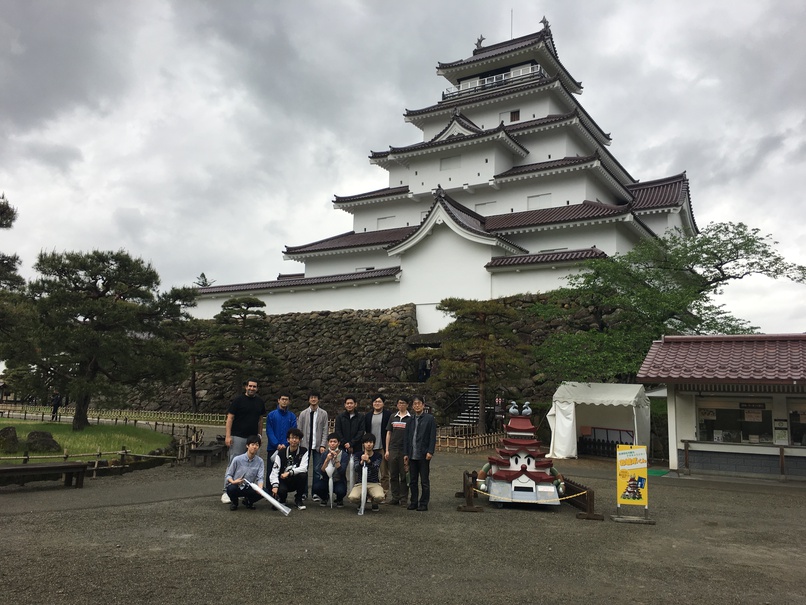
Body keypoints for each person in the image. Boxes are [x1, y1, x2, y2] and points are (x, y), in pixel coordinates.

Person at [222, 379, 266, 502]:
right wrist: (228, 435)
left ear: (257, 388)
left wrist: (259, 436)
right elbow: (230, 418)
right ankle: (227, 490)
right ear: (246, 387)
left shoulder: (259, 402)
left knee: (252, 464)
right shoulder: (238, 400)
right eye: (250, 386)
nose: (252, 388)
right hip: (238, 436)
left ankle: (246, 490)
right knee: (233, 462)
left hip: (252, 438)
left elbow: (260, 420)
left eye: (254, 386)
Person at [404, 395, 436, 512]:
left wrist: (430, 451)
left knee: (424, 481)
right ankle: (413, 501)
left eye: (419, 403)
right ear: (412, 406)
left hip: (423, 454)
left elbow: (432, 437)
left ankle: (424, 503)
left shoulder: (429, 419)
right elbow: (407, 438)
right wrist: (406, 453)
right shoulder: (410, 420)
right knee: (412, 480)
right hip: (412, 454)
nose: (417, 406)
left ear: (423, 405)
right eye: (415, 404)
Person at [297, 391, 329, 501]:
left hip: (318, 445)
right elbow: (299, 430)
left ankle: (316, 492)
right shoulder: (303, 413)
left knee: (317, 469)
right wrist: (299, 445)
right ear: (308, 399)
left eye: (315, 397)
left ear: (318, 399)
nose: (313, 399)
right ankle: (303, 492)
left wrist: (323, 444)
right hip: (305, 445)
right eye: (311, 397)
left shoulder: (323, 413)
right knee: (303, 469)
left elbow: (325, 430)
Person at [269, 428, 308, 510]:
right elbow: (275, 470)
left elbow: (304, 468)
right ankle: (282, 499)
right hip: (283, 480)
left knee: (303, 475)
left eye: (296, 438)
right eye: (292, 438)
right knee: (281, 491)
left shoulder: (304, 451)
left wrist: (290, 473)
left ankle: (298, 499)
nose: (294, 440)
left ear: (300, 440)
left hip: (295, 479)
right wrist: (275, 485)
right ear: (288, 440)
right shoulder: (281, 452)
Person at [224, 435, 265, 511]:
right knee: (230, 488)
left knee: (265, 492)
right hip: (237, 486)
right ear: (247, 446)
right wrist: (233, 481)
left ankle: (248, 501)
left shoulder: (260, 461)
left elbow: (260, 478)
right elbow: (228, 475)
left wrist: (260, 488)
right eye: (252, 445)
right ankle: (234, 502)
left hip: (248, 487)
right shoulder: (237, 459)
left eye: (257, 445)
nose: (254, 447)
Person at [363, 394, 392, 501]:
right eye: (375, 401)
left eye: (379, 401)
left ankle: (383, 494)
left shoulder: (388, 415)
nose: (377, 403)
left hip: (382, 447)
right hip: (370, 448)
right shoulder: (368, 416)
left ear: (383, 403)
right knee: (370, 472)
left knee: (384, 472)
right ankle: (370, 494)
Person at [385, 396, 411, 506]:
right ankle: (395, 497)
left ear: (407, 405)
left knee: (404, 475)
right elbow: (389, 433)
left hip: (404, 449)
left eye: (403, 403)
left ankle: (404, 498)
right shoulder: (392, 417)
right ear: (397, 405)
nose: (401, 405)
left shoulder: (411, 418)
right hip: (393, 449)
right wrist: (387, 450)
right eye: (399, 403)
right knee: (393, 475)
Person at [347, 433, 385, 512]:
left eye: (370, 442)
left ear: (373, 444)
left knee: (380, 497)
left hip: (373, 483)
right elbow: (356, 469)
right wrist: (361, 462)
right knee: (352, 498)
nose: (368, 444)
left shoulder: (378, 455)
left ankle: (374, 502)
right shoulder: (357, 455)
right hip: (360, 483)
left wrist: (368, 461)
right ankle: (361, 501)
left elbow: (376, 468)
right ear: (363, 444)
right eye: (366, 442)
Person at [315, 432, 350, 507]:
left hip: (338, 480)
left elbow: (342, 471)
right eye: (331, 442)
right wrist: (326, 460)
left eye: (335, 442)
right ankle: (325, 497)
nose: (333, 444)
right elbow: (321, 471)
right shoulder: (324, 454)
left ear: (339, 443)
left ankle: (339, 499)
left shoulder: (344, 455)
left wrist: (336, 459)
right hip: (326, 479)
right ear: (328, 443)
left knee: (341, 491)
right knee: (316, 487)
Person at [265, 392, 297, 462]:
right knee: (271, 471)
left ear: (289, 401)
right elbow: (269, 431)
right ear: (278, 400)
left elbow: (293, 432)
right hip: (273, 448)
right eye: (282, 399)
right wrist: (276, 444)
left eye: (286, 399)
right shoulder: (271, 415)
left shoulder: (292, 416)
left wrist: (286, 444)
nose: (284, 401)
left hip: (287, 448)